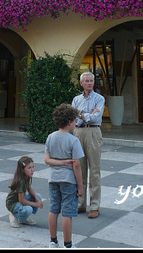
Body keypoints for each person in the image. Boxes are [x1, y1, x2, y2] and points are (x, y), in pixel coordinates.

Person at [44, 103, 84, 249]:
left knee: (53, 209)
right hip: (68, 181)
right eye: (74, 120)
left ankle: (53, 241)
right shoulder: (73, 140)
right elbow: (77, 165)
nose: (75, 123)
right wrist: (80, 186)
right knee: (67, 213)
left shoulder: (50, 137)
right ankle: (68, 245)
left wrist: (60, 163)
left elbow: (46, 160)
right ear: (69, 122)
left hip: (53, 179)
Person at [72, 71, 105, 219]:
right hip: (78, 133)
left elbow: (97, 117)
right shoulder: (76, 99)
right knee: (79, 168)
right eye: (86, 81)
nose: (89, 83)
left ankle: (95, 205)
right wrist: (87, 115)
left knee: (94, 170)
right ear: (81, 83)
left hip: (93, 133)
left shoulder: (100, 98)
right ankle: (80, 203)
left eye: (91, 81)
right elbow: (73, 118)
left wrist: (82, 115)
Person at [6, 156, 43, 228]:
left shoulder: (26, 177)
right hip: (12, 204)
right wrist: (36, 204)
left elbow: (29, 188)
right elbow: (22, 201)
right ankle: (14, 215)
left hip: (18, 201)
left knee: (38, 196)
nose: (32, 170)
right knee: (28, 209)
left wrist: (37, 199)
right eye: (29, 168)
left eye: (33, 167)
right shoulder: (21, 181)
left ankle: (24, 217)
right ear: (22, 170)